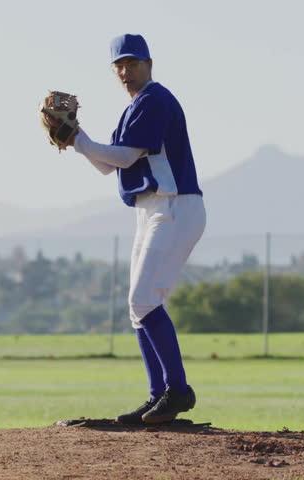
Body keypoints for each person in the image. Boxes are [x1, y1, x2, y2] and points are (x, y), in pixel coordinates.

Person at [69, 34, 206, 424]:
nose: (126, 71)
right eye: (119, 66)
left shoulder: (154, 100)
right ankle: (159, 395)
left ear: (149, 63)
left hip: (175, 206)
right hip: (151, 209)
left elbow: (125, 156)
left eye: (132, 63)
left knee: (145, 300)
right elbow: (108, 164)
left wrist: (80, 140)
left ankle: (178, 391)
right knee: (138, 307)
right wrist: (79, 139)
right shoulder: (132, 109)